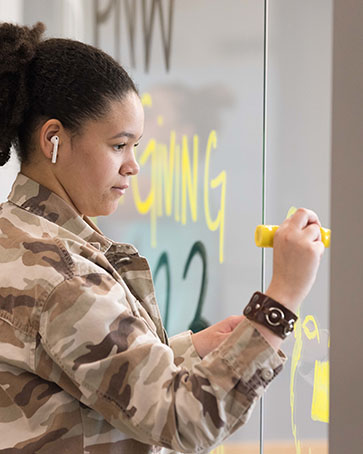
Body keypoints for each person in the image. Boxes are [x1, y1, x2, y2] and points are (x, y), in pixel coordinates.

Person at [0, 22, 325, 453]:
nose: (133, 165)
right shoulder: (63, 275)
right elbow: (184, 420)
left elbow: (75, 373)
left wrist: (191, 349)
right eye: (119, 145)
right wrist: (282, 297)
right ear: (54, 139)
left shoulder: (18, 234)